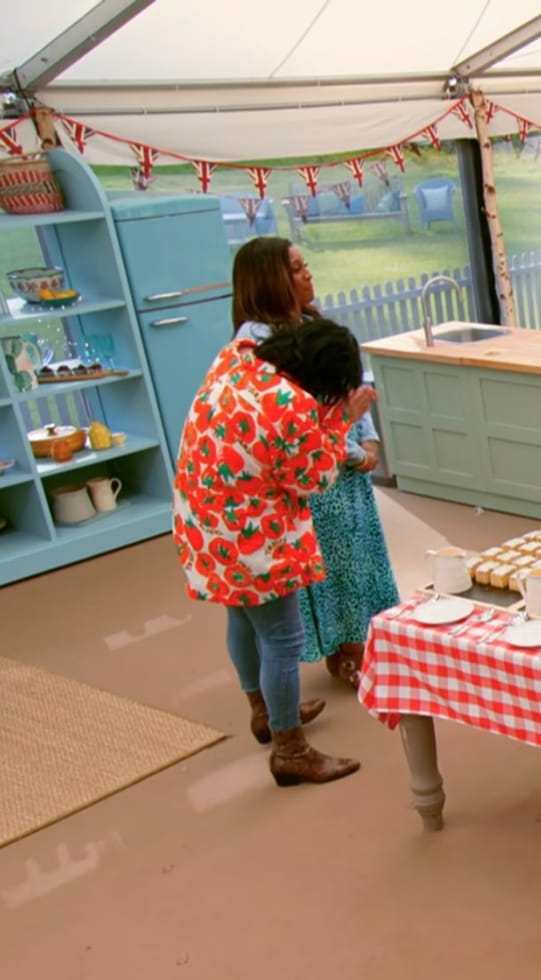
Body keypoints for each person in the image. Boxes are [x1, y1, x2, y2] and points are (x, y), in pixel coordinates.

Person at [173, 319, 378, 786]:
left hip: (204, 519)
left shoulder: (238, 356)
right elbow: (315, 477)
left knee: (241, 618)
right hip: (253, 539)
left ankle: (264, 710)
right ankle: (290, 749)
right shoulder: (292, 405)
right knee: (283, 638)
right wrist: (343, 416)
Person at [230, 237, 400, 691]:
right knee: (336, 566)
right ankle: (344, 651)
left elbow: (348, 386)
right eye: (297, 269)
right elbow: (296, 421)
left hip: (345, 468)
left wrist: (370, 438)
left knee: (358, 558)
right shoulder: (260, 344)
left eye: (307, 266)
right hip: (318, 477)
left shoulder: (307, 321)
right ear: (270, 281)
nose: (308, 276)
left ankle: (358, 644)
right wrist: (351, 451)